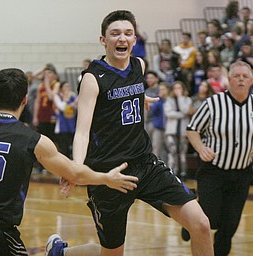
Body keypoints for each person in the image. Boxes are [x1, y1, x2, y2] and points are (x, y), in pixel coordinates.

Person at [50, 10, 214, 256]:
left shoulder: (139, 65)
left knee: (201, 224)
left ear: (135, 40)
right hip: (108, 173)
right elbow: (82, 131)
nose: (122, 38)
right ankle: (62, 253)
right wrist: (75, 168)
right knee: (112, 254)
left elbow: (125, 91)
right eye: (115, 34)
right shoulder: (93, 79)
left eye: (128, 33)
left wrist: (138, 97)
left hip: (145, 164)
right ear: (103, 40)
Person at [0, 68, 139, 256]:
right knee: (96, 252)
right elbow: (75, 174)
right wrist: (106, 178)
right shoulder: (34, 141)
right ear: (24, 100)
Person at [184, 61, 253, 256]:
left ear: (251, 81)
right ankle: (190, 221)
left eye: (245, 76)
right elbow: (192, 129)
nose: (241, 79)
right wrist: (201, 148)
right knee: (211, 219)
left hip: (242, 173)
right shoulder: (213, 103)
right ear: (229, 79)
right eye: (236, 76)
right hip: (213, 170)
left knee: (230, 224)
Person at [164, 81, 192, 178]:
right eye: (175, 88)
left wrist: (180, 98)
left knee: (183, 153)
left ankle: (183, 172)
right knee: (172, 152)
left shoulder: (187, 99)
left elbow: (186, 110)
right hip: (171, 131)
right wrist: (181, 115)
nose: (177, 90)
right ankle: (172, 172)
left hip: (183, 131)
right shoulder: (169, 99)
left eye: (179, 88)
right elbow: (168, 113)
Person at [53, 81, 78, 158]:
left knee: (73, 146)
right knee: (64, 147)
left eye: (69, 86)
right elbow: (62, 107)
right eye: (65, 86)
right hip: (62, 125)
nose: (67, 88)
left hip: (72, 123)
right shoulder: (57, 96)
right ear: (61, 88)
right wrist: (66, 99)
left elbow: (77, 108)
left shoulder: (73, 96)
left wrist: (74, 103)